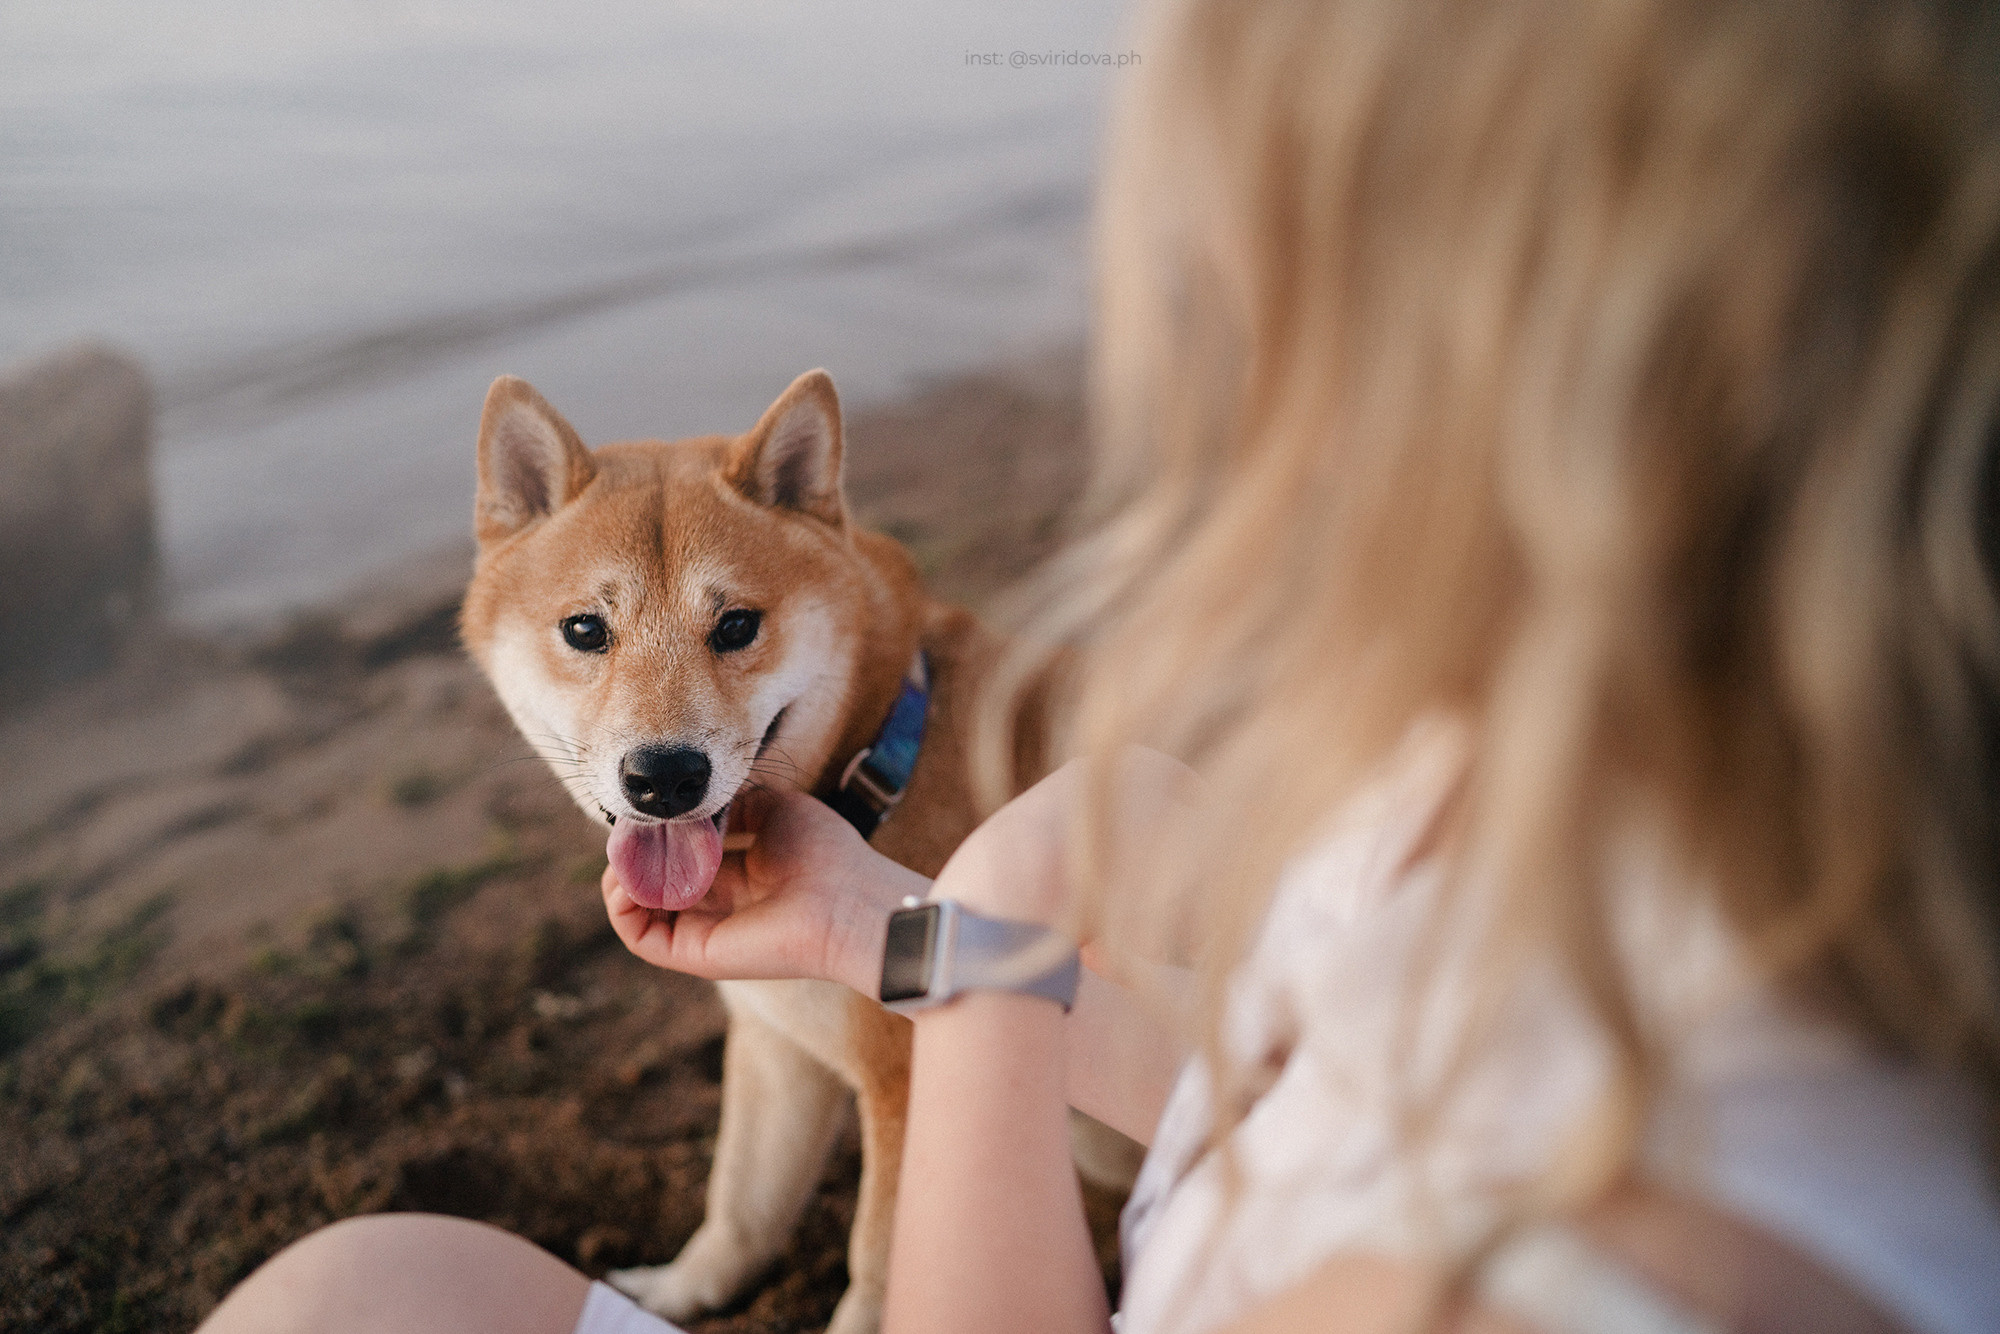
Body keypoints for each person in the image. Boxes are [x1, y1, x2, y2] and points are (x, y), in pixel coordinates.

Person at [198, 0, 2000, 1330]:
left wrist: (989, 932)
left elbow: (1050, 1139)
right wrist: (874, 931)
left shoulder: (1564, 1286)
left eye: (1250, 328)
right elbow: (1280, 1110)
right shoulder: (1551, 849)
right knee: (358, 1282)